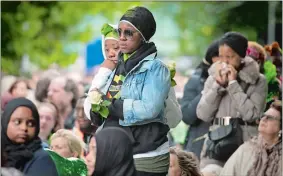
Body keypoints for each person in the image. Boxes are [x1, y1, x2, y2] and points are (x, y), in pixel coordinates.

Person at [89, 6, 172, 176]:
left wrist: (111, 105)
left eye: (128, 33)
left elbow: (149, 109)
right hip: (117, 152)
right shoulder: (117, 65)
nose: (121, 38)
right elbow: (103, 99)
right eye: (119, 32)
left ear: (143, 37)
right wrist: (98, 109)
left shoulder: (156, 69)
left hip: (146, 155)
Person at [196, 32, 267, 173]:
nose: (224, 62)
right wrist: (218, 86)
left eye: (230, 56)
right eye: (221, 56)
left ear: (241, 57)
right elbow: (202, 114)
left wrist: (233, 84)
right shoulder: (213, 78)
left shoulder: (258, 80)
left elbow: (252, 114)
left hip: (245, 144)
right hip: (217, 142)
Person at [220, 100, 282, 176]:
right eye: (263, 116)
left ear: (280, 127)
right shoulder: (246, 149)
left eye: (270, 118)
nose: (264, 119)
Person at [181, 39, 220, 159]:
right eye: (223, 56)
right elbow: (187, 116)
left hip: (224, 144)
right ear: (213, 58)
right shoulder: (197, 80)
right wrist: (210, 88)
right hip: (198, 145)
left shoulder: (234, 80)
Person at [1, 98, 58, 176]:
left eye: (31, 123)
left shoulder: (42, 159)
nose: (24, 128)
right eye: (17, 122)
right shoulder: (2, 153)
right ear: (5, 123)